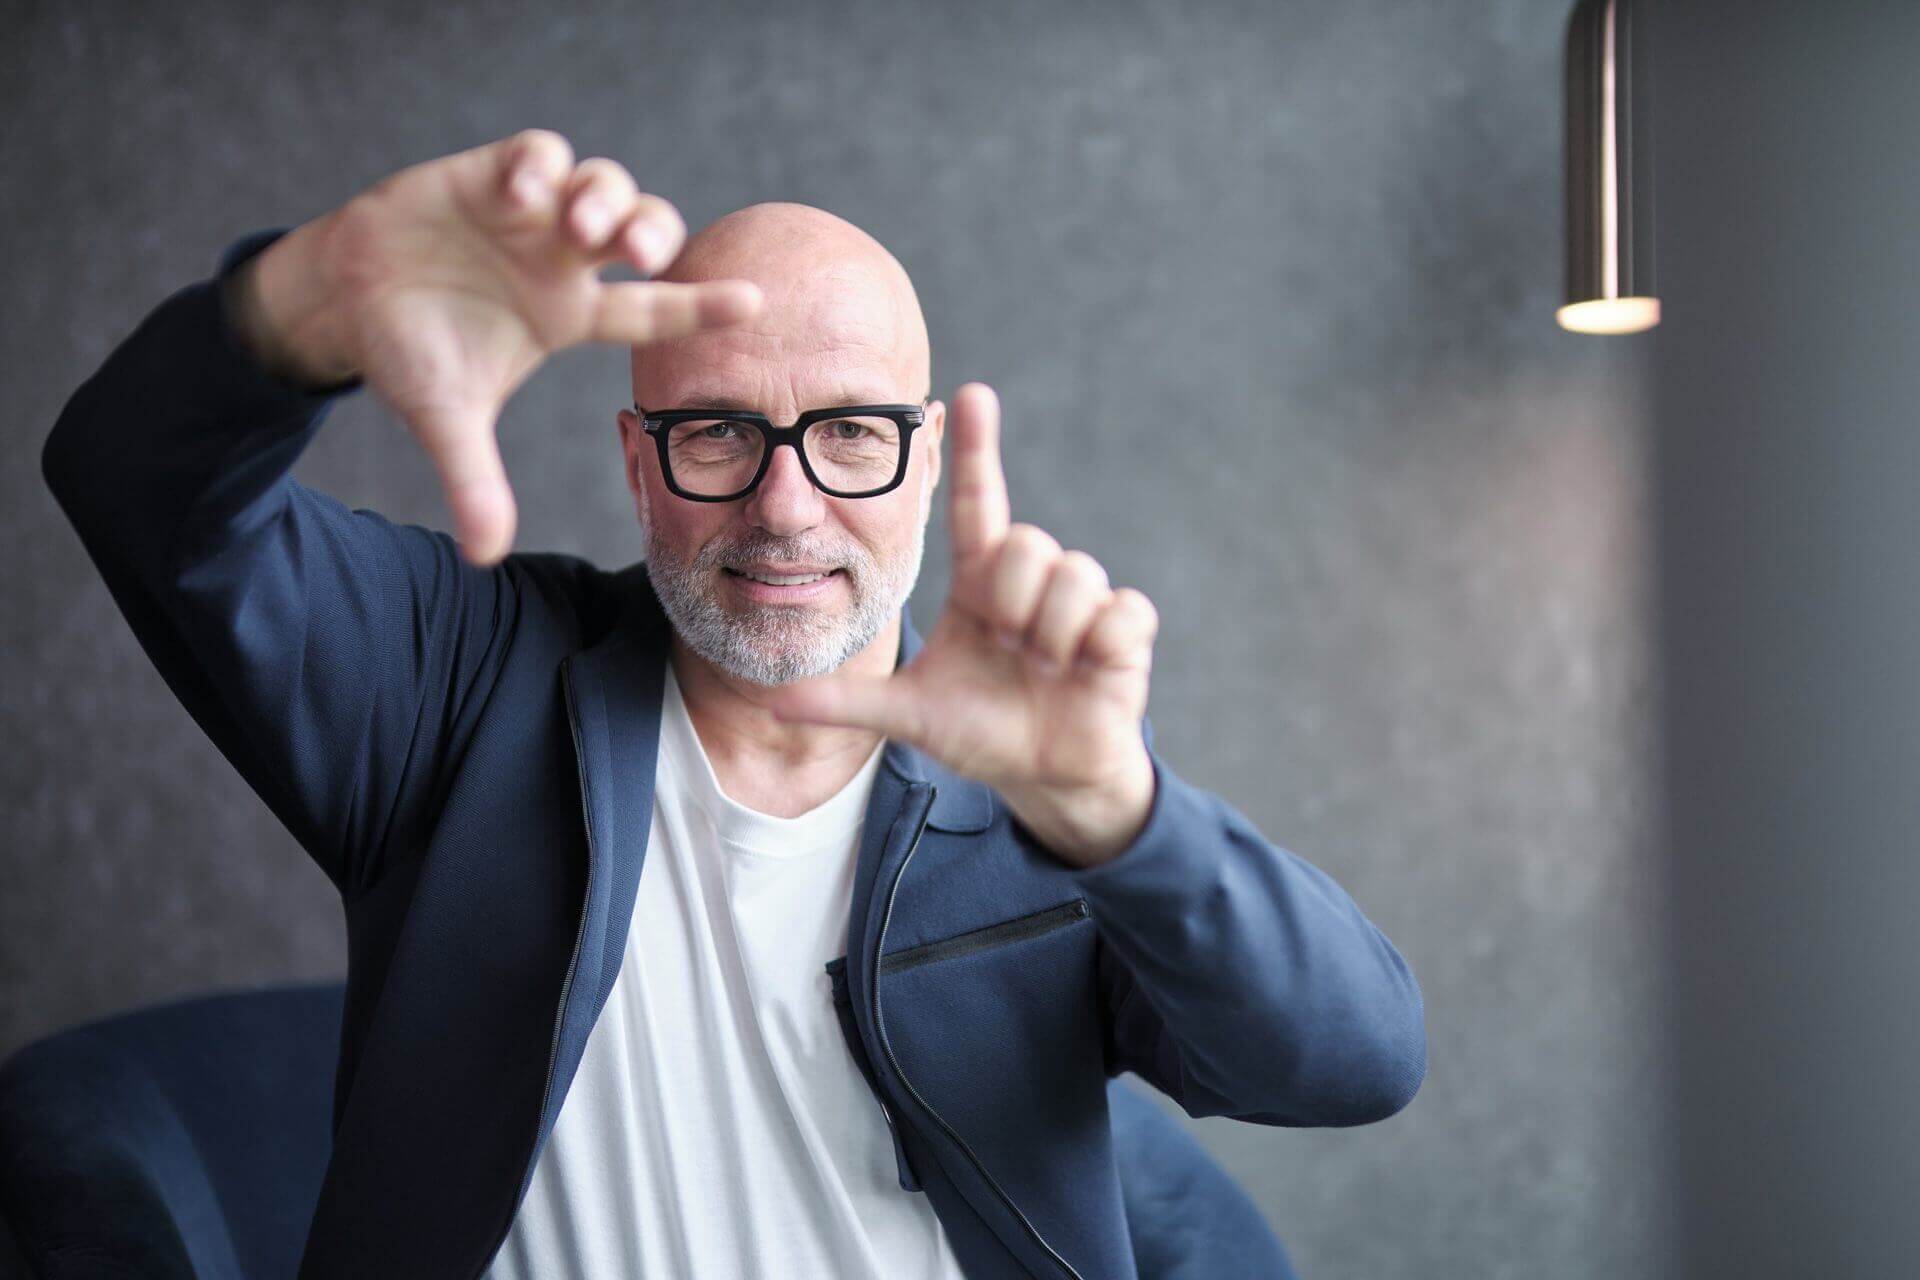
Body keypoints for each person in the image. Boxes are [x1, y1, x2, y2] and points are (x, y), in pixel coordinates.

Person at [40, 127, 1427, 1279]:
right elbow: (132, 482)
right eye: (718, 431)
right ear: (639, 459)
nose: (785, 505)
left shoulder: (1051, 807)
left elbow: (1351, 1065)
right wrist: (301, 305)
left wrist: (1125, 818)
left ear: (928, 455)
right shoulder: (452, 684)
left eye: (849, 432)